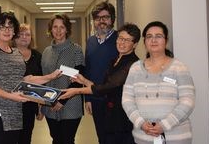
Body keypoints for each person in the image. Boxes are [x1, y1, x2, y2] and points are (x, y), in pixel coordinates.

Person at [0, 12, 60, 144]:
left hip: (16, 113)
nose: (7, 30)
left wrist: (50, 76)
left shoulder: (16, 53)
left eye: (10, 27)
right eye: (2, 27)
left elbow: (25, 80)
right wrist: (11, 96)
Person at [60, 23, 141, 144]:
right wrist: (83, 80)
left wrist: (76, 91)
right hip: (109, 115)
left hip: (122, 119)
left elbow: (108, 87)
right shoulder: (114, 60)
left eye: (127, 40)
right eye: (120, 38)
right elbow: (103, 86)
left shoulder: (133, 64)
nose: (121, 42)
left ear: (135, 44)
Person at [122, 21, 196, 144]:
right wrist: (141, 123)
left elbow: (188, 101)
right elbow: (127, 100)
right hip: (143, 136)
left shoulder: (179, 67)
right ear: (144, 42)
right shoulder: (135, 68)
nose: (153, 40)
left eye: (158, 36)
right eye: (149, 36)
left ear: (166, 40)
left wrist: (164, 125)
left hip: (176, 137)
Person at [40, 13, 85, 144]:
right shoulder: (46, 52)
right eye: (55, 27)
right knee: (56, 139)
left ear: (67, 29)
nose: (58, 31)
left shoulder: (76, 50)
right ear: (51, 29)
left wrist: (61, 101)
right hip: (50, 105)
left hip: (71, 104)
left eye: (62, 27)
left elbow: (78, 80)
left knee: (67, 140)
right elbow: (44, 79)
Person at [84, 1, 118, 143]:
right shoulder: (91, 41)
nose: (101, 21)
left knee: (116, 138)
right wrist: (88, 99)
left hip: (115, 99)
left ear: (112, 19)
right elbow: (88, 70)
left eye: (105, 17)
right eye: (98, 18)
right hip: (96, 98)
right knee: (102, 137)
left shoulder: (120, 40)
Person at [13, 23, 44, 144]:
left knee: (26, 138)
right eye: (21, 34)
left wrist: (41, 108)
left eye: (27, 34)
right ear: (15, 36)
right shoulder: (8, 53)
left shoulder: (37, 56)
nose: (24, 37)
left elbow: (42, 82)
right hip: (11, 106)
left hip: (30, 106)